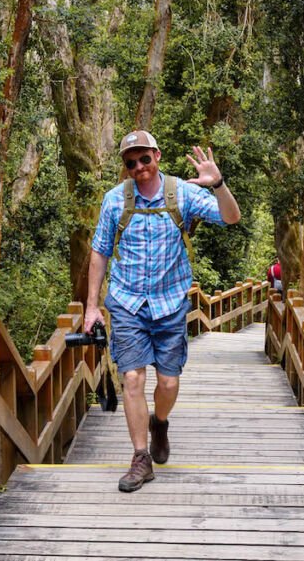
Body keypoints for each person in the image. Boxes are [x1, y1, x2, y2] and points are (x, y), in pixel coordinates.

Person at [82, 130, 241, 492]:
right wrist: (92, 307)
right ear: (125, 167)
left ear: (157, 155)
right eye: (131, 162)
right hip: (127, 303)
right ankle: (141, 458)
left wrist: (218, 183)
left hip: (170, 303)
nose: (139, 166)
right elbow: (99, 252)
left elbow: (230, 218)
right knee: (133, 379)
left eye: (144, 159)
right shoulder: (114, 201)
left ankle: (161, 422)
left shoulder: (181, 193)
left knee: (168, 382)